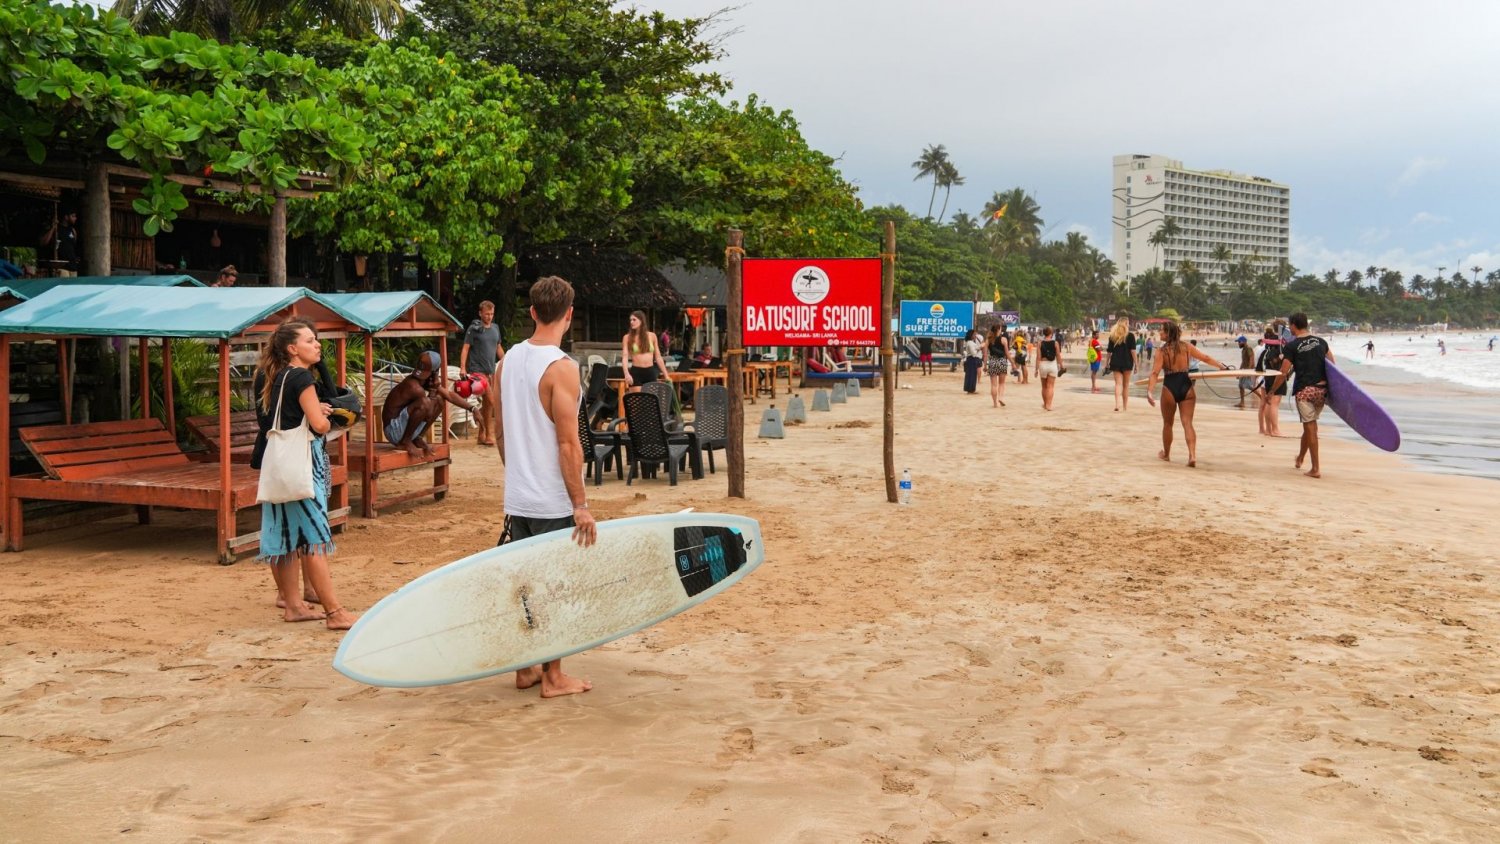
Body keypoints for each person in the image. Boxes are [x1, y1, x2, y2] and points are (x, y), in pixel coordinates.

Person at [496, 275, 596, 698]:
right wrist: (581, 504)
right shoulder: (563, 368)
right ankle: (553, 676)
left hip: (518, 496)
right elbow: (569, 443)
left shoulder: (505, 363)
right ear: (569, 315)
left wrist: (519, 475)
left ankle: (525, 669)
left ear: (533, 312)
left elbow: (499, 433)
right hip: (553, 500)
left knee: (525, 585)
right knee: (556, 586)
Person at [251, 319, 357, 630]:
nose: (317, 345)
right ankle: (335, 612)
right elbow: (320, 426)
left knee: (284, 537)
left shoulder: (278, 376)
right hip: (302, 464)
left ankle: (294, 605)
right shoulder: (301, 378)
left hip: (279, 467)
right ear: (292, 348)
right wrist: (324, 415)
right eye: (310, 341)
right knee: (313, 539)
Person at [1146, 320, 1231, 467]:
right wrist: (1221, 366)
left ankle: (1166, 454)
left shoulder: (1161, 351)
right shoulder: (1186, 347)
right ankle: (1192, 455)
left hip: (1169, 387)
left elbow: (1155, 372)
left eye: (1162, 331)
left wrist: (1150, 391)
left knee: (1168, 423)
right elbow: (1206, 358)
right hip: (1186, 385)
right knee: (1187, 423)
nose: (1159, 333)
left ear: (1168, 333)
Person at [1268, 312, 1334, 478]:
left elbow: (1283, 372)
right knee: (1310, 426)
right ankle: (1300, 458)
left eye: (1290, 325)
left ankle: (1316, 469)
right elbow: (1333, 366)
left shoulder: (1292, 346)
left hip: (1305, 391)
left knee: (1310, 428)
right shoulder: (1321, 342)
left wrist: (1271, 391)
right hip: (1321, 391)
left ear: (1294, 326)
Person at [382, 351, 476, 458]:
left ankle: (417, 437)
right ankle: (406, 441)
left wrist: (472, 408)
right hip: (393, 431)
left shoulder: (422, 381)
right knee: (425, 402)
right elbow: (428, 414)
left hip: (401, 428)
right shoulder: (414, 387)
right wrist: (432, 391)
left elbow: (449, 395)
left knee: (440, 399)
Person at [460, 300, 503, 446]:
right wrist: (462, 368)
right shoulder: (474, 329)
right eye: (486, 314)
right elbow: (465, 348)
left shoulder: (496, 328)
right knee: (492, 401)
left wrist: (507, 362)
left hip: (491, 372)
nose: (489, 317)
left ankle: (481, 435)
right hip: (477, 372)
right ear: (480, 313)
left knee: (487, 405)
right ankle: (490, 435)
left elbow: (498, 348)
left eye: (491, 314)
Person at [622, 310, 670, 392]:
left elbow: (658, 357)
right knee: (637, 401)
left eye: (634, 320)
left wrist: (666, 374)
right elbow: (625, 357)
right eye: (630, 320)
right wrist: (626, 374)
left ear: (641, 321)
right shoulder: (627, 337)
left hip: (650, 371)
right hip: (636, 372)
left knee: (651, 400)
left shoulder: (652, 336)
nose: (631, 322)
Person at [1255, 328, 1286, 437]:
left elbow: (1258, 367)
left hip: (1265, 378)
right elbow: (1283, 368)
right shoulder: (1279, 352)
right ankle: (1275, 429)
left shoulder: (1264, 351)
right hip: (1275, 379)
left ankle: (1267, 429)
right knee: (1274, 404)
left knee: (1266, 403)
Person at [1105, 319, 1136, 412]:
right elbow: (1133, 351)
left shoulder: (1112, 336)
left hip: (1115, 362)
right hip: (1127, 362)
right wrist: (1136, 364)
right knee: (1126, 385)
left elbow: (1109, 352)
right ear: (1126, 324)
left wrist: (1106, 363)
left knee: (1118, 384)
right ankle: (1125, 407)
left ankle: (1117, 404)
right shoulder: (1130, 336)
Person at [39, 210, 80, 276]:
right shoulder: (56, 229)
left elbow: (73, 246)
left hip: (72, 266)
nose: (75, 218)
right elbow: (43, 243)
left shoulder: (73, 230)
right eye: (73, 216)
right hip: (61, 266)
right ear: (66, 217)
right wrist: (53, 227)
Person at [1033, 326, 1062, 411]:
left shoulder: (1040, 343)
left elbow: (1038, 357)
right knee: (1050, 386)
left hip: (1043, 365)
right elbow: (1058, 355)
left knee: (1044, 386)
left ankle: (1045, 404)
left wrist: (1036, 369)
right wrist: (1061, 365)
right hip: (1052, 365)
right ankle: (1049, 405)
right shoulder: (1055, 343)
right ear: (1051, 333)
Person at [984, 324, 1010, 407]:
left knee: (993, 385)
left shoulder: (988, 340)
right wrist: (1012, 363)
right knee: (1001, 383)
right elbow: (1007, 353)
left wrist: (985, 366)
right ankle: (1001, 398)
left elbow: (985, 354)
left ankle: (995, 403)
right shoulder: (1004, 339)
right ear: (999, 329)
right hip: (1002, 361)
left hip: (992, 361)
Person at [1234, 335, 1255, 407]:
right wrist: (1239, 372)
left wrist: (1248, 371)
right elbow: (1243, 362)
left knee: (1249, 386)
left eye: (1239, 342)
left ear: (1244, 342)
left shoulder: (1248, 348)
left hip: (1248, 370)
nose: (1238, 344)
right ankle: (1242, 402)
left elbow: (1251, 359)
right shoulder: (1243, 350)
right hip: (1244, 370)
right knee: (1240, 386)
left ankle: (1262, 397)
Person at [961, 329, 982, 394]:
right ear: (971, 335)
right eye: (974, 334)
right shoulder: (970, 343)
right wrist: (979, 349)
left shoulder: (970, 342)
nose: (975, 335)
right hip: (971, 360)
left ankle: (971, 389)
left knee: (971, 375)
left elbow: (976, 348)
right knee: (971, 375)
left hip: (970, 360)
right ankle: (971, 389)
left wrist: (979, 347)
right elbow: (974, 353)